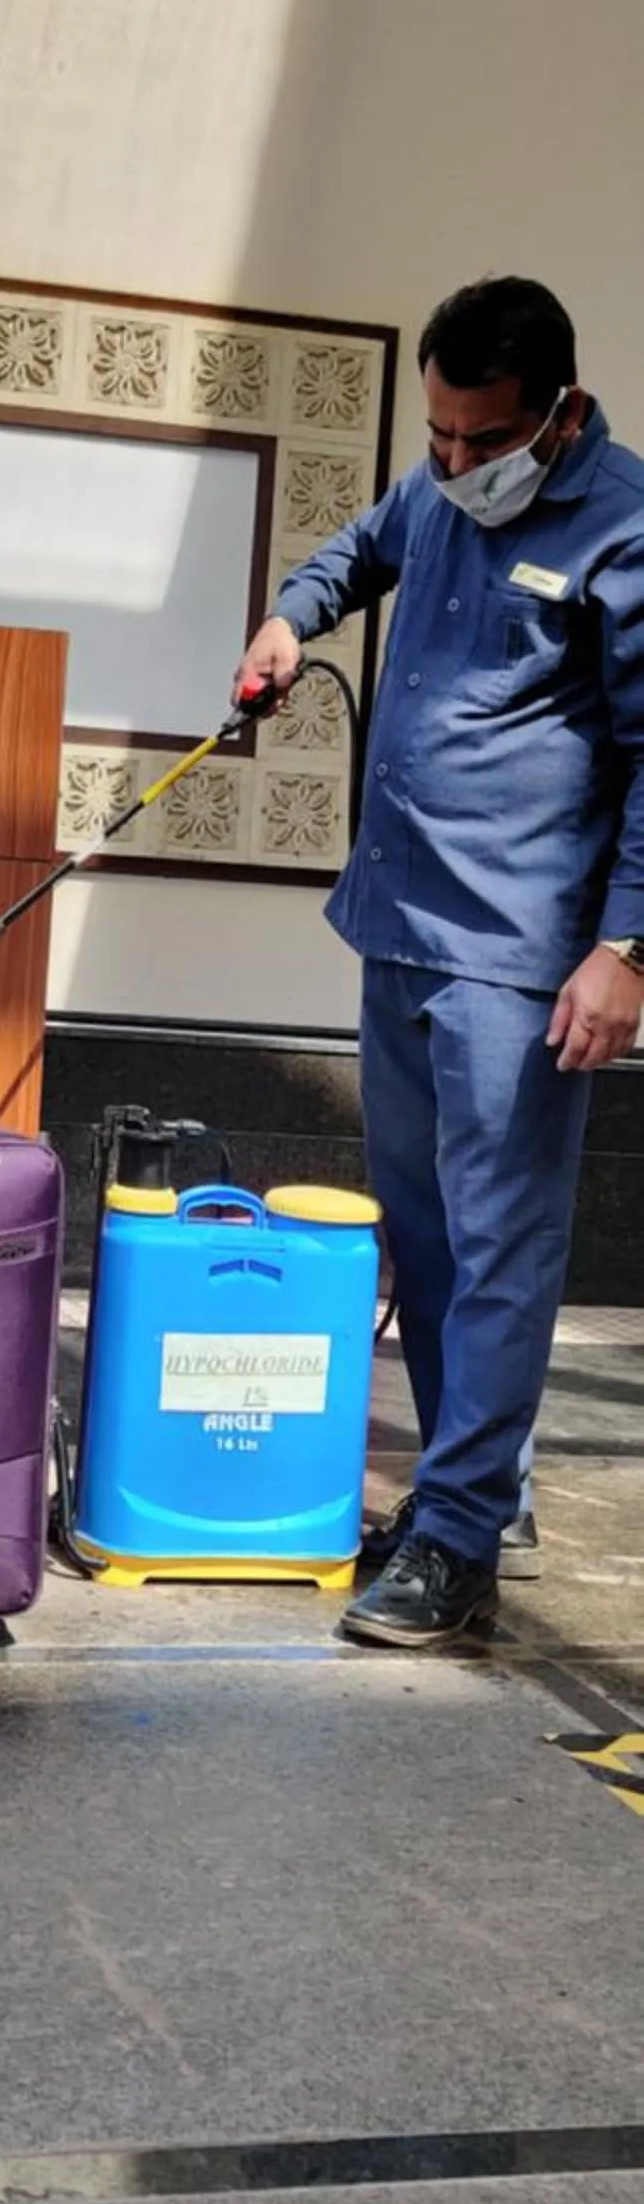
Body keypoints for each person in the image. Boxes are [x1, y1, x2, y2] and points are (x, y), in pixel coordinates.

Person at [236, 277, 644, 1647]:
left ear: (557, 414)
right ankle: (482, 1484)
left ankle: (457, 1537)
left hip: (517, 959)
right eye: (438, 439)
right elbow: (358, 550)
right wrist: (292, 616)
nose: (455, 466)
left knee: (502, 1248)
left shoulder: (625, 528)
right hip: (398, 923)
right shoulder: (432, 493)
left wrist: (624, 948)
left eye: (483, 441)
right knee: (422, 1239)